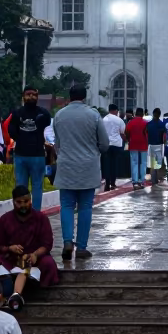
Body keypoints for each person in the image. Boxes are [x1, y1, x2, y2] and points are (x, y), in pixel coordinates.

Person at [0, 185, 60, 311]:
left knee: (48, 263)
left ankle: (21, 291)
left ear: (31, 200)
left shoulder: (41, 219)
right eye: (19, 202)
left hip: (34, 260)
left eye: (26, 201)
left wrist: (35, 254)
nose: (23, 205)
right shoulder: (5, 219)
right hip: (11, 259)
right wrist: (10, 248)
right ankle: (7, 288)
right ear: (13, 202)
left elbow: (47, 244)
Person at [53, 85, 109, 260]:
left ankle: (67, 241)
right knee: (85, 207)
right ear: (84, 97)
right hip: (88, 167)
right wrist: (94, 151)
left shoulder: (59, 115)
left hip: (66, 166)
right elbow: (105, 144)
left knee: (67, 206)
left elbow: (57, 143)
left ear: (69, 97)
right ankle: (82, 247)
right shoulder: (93, 115)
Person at [8, 87, 51, 210]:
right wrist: (23, 139)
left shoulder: (43, 113)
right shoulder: (17, 113)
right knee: (24, 187)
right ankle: (25, 212)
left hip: (34, 155)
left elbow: (12, 131)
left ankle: (32, 214)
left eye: (34, 94)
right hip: (23, 155)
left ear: (37, 96)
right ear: (23, 96)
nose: (31, 97)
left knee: (34, 186)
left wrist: (22, 138)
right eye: (28, 94)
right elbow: (11, 131)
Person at [101, 103, 125, 191]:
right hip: (116, 144)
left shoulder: (104, 119)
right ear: (115, 110)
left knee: (107, 164)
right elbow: (122, 133)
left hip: (107, 144)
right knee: (114, 164)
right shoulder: (119, 120)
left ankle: (107, 184)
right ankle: (113, 183)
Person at [124, 106, 149, 189]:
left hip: (133, 144)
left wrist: (128, 140)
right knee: (143, 163)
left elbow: (126, 133)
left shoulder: (130, 122)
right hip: (143, 144)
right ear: (142, 114)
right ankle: (142, 181)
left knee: (134, 163)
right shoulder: (145, 123)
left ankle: (134, 182)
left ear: (135, 114)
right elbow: (147, 134)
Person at [146, 108, 166, 185]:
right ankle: (157, 178)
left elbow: (146, 133)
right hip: (159, 145)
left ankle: (154, 179)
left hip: (151, 145)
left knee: (152, 163)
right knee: (158, 162)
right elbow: (164, 135)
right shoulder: (162, 124)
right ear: (159, 114)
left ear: (153, 114)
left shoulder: (149, 124)